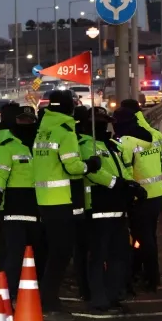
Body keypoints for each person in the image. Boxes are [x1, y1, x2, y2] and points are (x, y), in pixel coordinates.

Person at [33, 90, 102, 320]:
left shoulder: (43, 129)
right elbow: (72, 167)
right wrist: (90, 165)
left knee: (54, 251)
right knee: (61, 253)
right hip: (60, 199)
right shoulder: (65, 130)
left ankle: (47, 298)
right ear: (70, 108)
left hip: (43, 198)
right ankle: (49, 303)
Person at [79, 107, 147, 312]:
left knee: (119, 256)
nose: (103, 124)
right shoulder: (84, 144)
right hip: (98, 208)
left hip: (119, 208)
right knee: (99, 256)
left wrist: (131, 185)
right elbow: (92, 172)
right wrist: (116, 183)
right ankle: (98, 299)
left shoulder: (113, 145)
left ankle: (113, 295)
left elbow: (125, 168)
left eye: (105, 120)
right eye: (98, 121)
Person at [0, 105, 44, 302]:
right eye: (22, 120)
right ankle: (9, 293)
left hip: (38, 208)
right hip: (13, 209)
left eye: (29, 120)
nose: (25, 123)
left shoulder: (41, 145)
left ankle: (32, 293)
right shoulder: (8, 146)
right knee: (13, 255)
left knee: (37, 254)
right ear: (16, 122)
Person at [113, 106, 162, 292]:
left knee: (141, 238)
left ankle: (149, 277)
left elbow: (125, 171)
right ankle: (150, 274)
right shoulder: (156, 135)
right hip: (157, 193)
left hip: (139, 196)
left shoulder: (126, 142)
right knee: (150, 236)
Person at [0, 102, 20, 271]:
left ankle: (3, 275)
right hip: (9, 198)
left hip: (1, 196)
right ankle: (6, 277)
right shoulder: (10, 139)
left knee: (5, 240)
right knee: (10, 243)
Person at [72, 105, 91, 301]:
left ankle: (81, 285)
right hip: (84, 204)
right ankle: (84, 287)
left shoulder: (68, 138)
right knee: (83, 247)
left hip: (62, 203)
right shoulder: (86, 143)